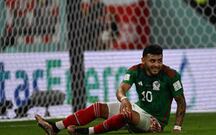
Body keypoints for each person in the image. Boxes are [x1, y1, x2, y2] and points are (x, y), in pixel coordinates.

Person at [35, 44, 186, 135]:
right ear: (143, 60)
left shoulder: (171, 75)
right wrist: (124, 99)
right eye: (152, 61)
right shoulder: (135, 70)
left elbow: (181, 101)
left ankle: (86, 132)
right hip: (139, 109)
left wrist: (177, 126)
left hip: (155, 121)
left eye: (159, 61)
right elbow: (121, 89)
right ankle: (55, 127)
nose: (156, 65)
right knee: (98, 107)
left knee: (127, 114)